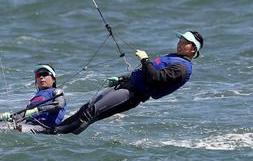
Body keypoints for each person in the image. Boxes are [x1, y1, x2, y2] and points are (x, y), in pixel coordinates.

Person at [54, 30, 203, 135]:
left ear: (193, 50)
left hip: (132, 94)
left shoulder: (181, 68)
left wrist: (145, 60)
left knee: (90, 113)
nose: (180, 44)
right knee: (86, 108)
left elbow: (154, 78)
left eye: (185, 43)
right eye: (180, 41)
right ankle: (56, 130)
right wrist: (122, 79)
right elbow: (144, 75)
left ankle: (55, 135)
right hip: (126, 86)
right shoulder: (175, 58)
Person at [0, 64, 67, 134]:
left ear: (54, 79)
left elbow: (59, 105)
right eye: (38, 75)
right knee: (7, 126)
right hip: (29, 125)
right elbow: (24, 115)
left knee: (15, 129)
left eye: (45, 74)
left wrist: (37, 110)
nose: (41, 77)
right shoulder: (34, 98)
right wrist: (11, 117)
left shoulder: (57, 91)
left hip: (45, 127)